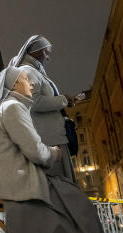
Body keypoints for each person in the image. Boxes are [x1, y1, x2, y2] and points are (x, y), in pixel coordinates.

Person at [0, 66, 114, 233]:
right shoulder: (12, 108)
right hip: (20, 180)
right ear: (14, 85)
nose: (33, 83)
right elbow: (35, 151)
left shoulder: (6, 107)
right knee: (78, 202)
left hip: (14, 177)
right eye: (26, 79)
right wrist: (55, 154)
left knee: (71, 196)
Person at [11, 36, 77, 180]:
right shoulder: (28, 72)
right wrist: (63, 100)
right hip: (48, 140)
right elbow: (34, 101)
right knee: (58, 186)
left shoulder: (35, 72)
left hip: (52, 137)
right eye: (46, 52)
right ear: (36, 51)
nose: (47, 58)